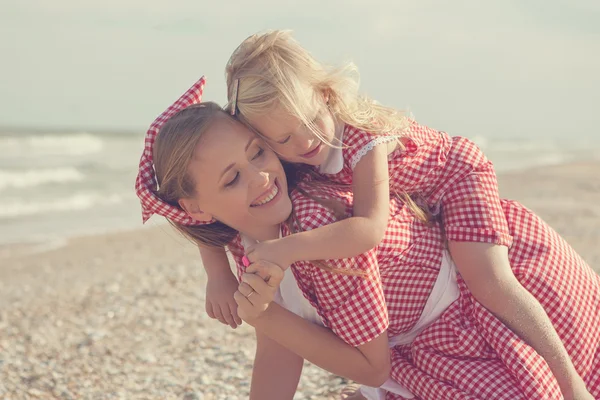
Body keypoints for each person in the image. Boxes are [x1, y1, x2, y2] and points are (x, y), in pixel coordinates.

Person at [134, 76, 599, 399]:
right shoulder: (243, 240)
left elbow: (371, 365)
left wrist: (265, 316)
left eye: (258, 151)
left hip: (473, 312)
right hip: (414, 335)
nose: (259, 177)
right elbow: (279, 354)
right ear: (194, 208)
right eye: (232, 178)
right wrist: (232, 288)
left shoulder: (318, 234)